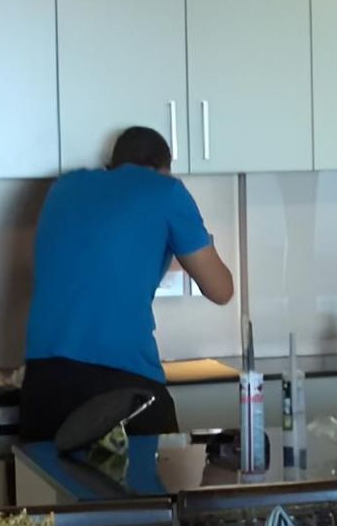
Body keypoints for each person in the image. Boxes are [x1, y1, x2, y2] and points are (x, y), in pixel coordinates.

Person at [20, 126, 235, 445]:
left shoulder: (63, 188)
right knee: (152, 491)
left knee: (49, 490)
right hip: (119, 383)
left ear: (114, 163)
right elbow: (221, 290)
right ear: (162, 167)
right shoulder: (166, 191)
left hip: (43, 382)